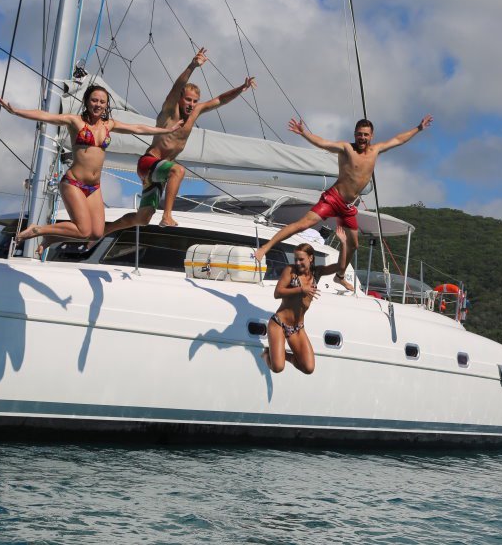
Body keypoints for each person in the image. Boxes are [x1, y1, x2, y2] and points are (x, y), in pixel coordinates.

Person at [254, 114, 433, 290]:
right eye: (359, 134)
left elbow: (398, 139)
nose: (362, 138)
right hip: (333, 198)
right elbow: (323, 142)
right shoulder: (346, 148)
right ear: (354, 134)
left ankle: (339, 277)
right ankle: (266, 247)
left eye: (365, 134)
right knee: (303, 224)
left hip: (348, 206)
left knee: (354, 244)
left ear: (371, 136)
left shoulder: (376, 150)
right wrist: (304, 133)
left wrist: (418, 128)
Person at [0, 85, 183, 247]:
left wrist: (166, 130)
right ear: (87, 101)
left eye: (102, 102)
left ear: (106, 105)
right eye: (94, 100)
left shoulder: (108, 125)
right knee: (84, 230)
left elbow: (138, 128)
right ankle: (38, 230)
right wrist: (17, 111)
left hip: (94, 187)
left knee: (96, 233)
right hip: (73, 183)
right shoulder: (75, 121)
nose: (98, 105)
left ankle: (52, 238)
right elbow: (46, 116)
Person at [104, 47, 255, 231]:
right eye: (188, 100)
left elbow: (219, 100)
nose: (191, 104)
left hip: (160, 172)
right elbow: (176, 87)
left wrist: (241, 88)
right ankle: (167, 216)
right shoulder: (170, 110)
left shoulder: (196, 111)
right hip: (149, 163)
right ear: (180, 99)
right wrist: (192, 66)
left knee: (143, 218)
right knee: (178, 171)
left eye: (195, 101)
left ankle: (105, 230)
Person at [262, 227, 349, 375]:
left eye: (301, 259)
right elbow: (277, 293)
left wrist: (344, 243)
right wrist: (301, 290)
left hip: (297, 328)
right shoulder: (291, 271)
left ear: (310, 258)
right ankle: (266, 354)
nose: (297, 262)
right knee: (277, 368)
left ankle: (284, 356)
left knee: (308, 368)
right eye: (296, 259)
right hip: (279, 324)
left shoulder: (317, 273)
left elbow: (341, 266)